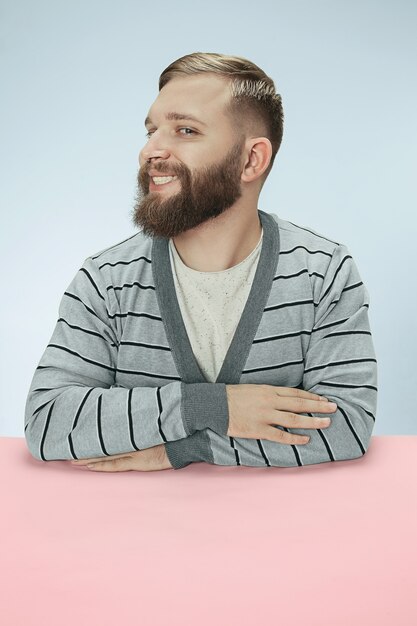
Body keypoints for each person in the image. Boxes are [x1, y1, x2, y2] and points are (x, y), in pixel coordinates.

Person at [24, 52, 377, 473]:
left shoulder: (324, 273)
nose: (151, 150)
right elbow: (48, 422)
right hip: (128, 531)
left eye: (185, 130)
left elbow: (348, 426)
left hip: (281, 532)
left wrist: (183, 449)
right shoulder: (107, 279)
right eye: (152, 130)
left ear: (251, 160)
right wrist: (212, 407)